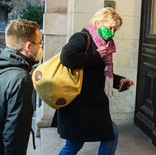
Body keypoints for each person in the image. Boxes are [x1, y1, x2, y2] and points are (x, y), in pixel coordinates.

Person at [57, 7, 134, 155]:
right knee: (74, 145)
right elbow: (66, 58)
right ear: (98, 23)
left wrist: (119, 81)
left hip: (90, 104)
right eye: (110, 27)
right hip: (79, 105)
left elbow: (98, 72)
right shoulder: (82, 37)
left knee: (109, 134)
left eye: (115, 29)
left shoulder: (104, 45)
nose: (112, 32)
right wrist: (96, 56)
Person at [0, 19, 43, 155]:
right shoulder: (20, 78)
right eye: (39, 43)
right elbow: (15, 132)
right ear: (28, 46)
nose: (41, 48)